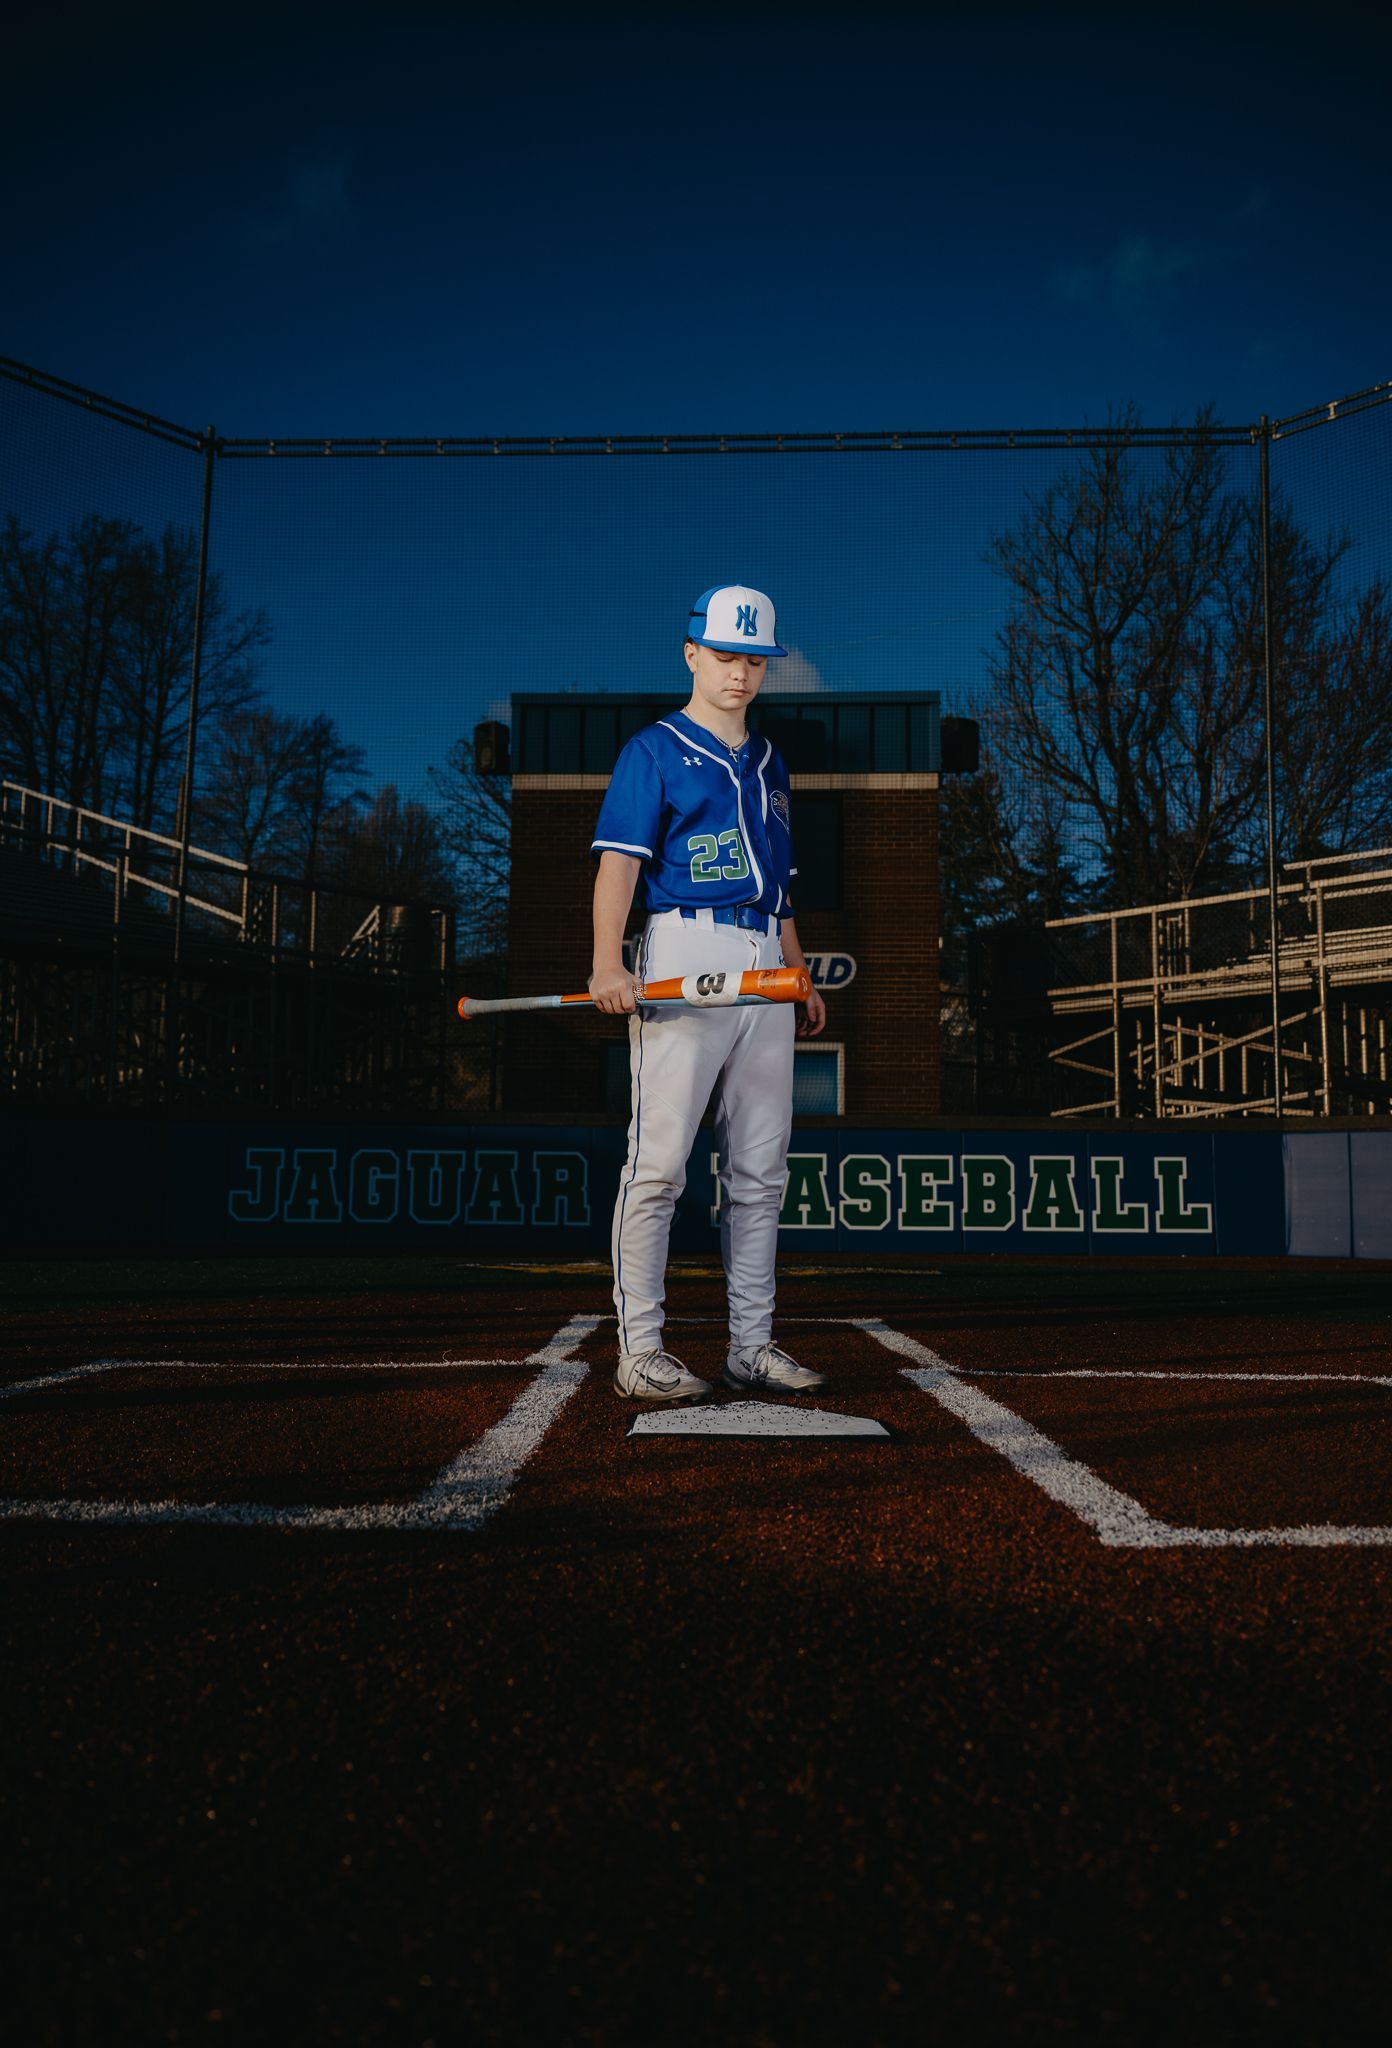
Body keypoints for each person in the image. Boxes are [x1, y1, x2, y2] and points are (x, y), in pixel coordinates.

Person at [588, 583, 828, 1403]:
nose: (740, 672)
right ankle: (643, 1348)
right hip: (684, 947)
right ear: (693, 652)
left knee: (761, 1170)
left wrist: (797, 969)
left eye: (755, 659)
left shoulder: (770, 761)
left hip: (765, 958)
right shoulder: (652, 748)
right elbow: (619, 863)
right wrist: (606, 962)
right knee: (658, 1164)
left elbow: (783, 886)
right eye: (726, 655)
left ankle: (750, 1346)